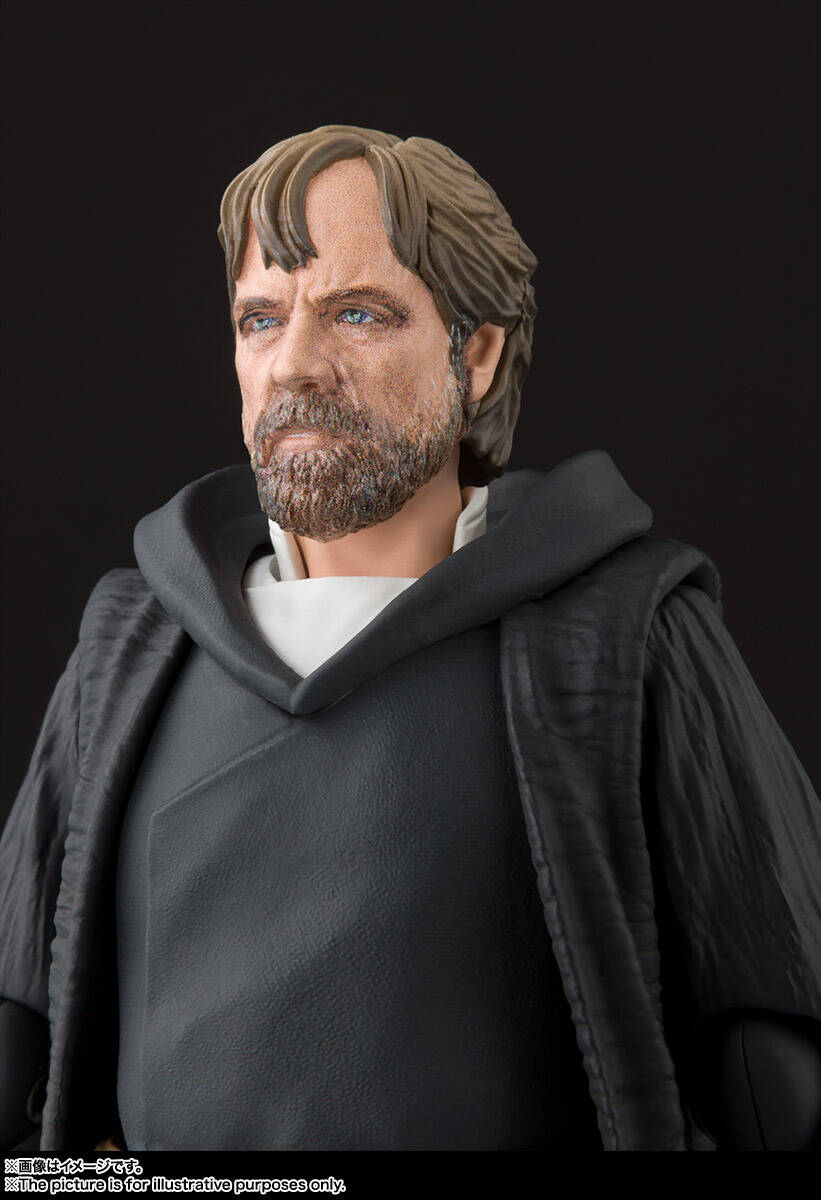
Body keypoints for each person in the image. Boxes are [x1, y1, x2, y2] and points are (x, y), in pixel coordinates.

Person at [1, 125, 820, 1154]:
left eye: (356, 313)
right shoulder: (132, 654)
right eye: (260, 319)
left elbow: (770, 1047)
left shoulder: (619, 636)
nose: (294, 365)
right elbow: (20, 1030)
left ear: (473, 354)